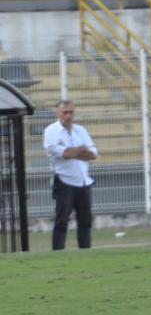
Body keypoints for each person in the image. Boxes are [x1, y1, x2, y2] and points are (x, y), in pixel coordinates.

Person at [43, 100, 97, 250]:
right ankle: (58, 252)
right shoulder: (51, 131)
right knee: (62, 220)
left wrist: (73, 152)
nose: (68, 116)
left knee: (85, 221)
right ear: (58, 113)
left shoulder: (81, 130)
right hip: (64, 181)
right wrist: (79, 151)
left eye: (71, 112)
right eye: (64, 112)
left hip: (83, 181)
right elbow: (60, 153)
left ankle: (85, 251)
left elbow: (93, 154)